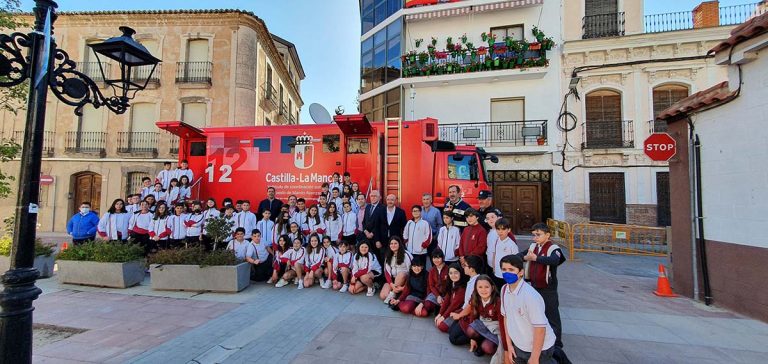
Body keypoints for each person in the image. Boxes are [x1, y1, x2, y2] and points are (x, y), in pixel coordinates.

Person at [499, 255, 557, 364]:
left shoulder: (530, 296)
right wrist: (509, 345)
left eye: (511, 270)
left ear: (521, 272)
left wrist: (534, 357)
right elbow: (506, 318)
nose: (507, 273)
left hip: (540, 349)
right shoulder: (504, 290)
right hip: (519, 346)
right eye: (504, 269)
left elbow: (540, 328)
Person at [517, 223, 566, 349]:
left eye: (538, 235)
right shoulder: (533, 246)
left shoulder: (554, 248)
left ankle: (557, 343)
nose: (535, 238)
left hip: (548, 287)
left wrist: (536, 258)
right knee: (536, 312)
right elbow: (520, 256)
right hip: (534, 285)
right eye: (534, 235)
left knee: (551, 314)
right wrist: (525, 257)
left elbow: (555, 260)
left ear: (547, 235)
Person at [458, 275, 502, 358]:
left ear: (492, 288)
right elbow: (473, 315)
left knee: (487, 348)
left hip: (495, 327)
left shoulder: (498, 302)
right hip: (483, 322)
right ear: (476, 288)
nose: (483, 290)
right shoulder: (475, 297)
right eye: (480, 287)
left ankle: (486, 344)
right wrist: (472, 339)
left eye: (486, 287)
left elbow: (503, 324)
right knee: (470, 330)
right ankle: (479, 342)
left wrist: (505, 346)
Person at [435, 263, 468, 333]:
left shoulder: (462, 288)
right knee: (438, 316)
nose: (453, 275)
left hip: (459, 311)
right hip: (452, 309)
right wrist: (440, 314)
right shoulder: (452, 283)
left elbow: (454, 305)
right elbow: (447, 299)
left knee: (442, 326)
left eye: (456, 273)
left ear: (460, 273)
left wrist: (443, 317)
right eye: (451, 273)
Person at [488, 217, 519, 289]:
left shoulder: (511, 244)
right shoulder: (497, 240)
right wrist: (494, 268)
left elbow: (516, 260)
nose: (500, 232)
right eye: (498, 229)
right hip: (497, 272)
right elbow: (495, 254)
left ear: (509, 230)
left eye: (503, 229)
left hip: (508, 274)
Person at [381, 236, 412, 304]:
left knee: (401, 274)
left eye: (395, 243)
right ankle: (396, 292)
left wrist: (405, 286)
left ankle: (394, 293)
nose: (393, 245)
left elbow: (412, 272)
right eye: (391, 243)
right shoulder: (388, 255)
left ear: (399, 244)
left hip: (404, 279)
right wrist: (391, 284)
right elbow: (387, 272)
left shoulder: (406, 254)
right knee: (383, 296)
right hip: (393, 280)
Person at [421, 249, 448, 317]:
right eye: (434, 258)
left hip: (446, 294)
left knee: (445, 309)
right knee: (427, 305)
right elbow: (431, 285)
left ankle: (439, 307)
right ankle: (436, 306)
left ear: (442, 258)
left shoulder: (448, 269)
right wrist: (438, 296)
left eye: (438, 258)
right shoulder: (432, 270)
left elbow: (450, 286)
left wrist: (445, 297)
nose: (436, 260)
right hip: (436, 293)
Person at [362, 190, 386, 258]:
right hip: (366, 237)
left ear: (379, 197)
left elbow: (382, 224)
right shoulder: (368, 207)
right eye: (371, 196)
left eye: (375, 196)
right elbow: (364, 221)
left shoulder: (383, 208)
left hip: (377, 238)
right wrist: (366, 231)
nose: (373, 198)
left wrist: (372, 233)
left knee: (378, 257)